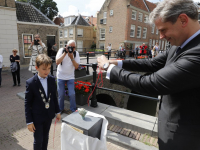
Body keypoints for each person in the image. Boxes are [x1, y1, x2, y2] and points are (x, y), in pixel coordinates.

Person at [97, 0, 200, 149]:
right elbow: (152, 64)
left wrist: (108, 68)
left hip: (184, 139)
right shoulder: (181, 43)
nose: (160, 36)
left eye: (163, 30)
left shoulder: (196, 52)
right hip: (170, 131)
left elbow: (152, 83)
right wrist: (118, 63)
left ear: (183, 20)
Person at [25, 54, 61, 150]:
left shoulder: (51, 79)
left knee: (45, 137)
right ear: (37, 68)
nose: (47, 71)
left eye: (49, 68)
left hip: (48, 115)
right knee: (38, 140)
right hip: (37, 117)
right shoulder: (31, 83)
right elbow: (27, 103)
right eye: (44, 69)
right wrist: (29, 121)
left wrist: (58, 111)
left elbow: (54, 96)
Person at [56, 40, 80, 113]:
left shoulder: (76, 53)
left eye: (73, 47)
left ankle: (73, 109)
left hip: (70, 77)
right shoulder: (61, 50)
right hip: (60, 76)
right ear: (66, 46)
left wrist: (72, 57)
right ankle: (60, 109)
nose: (71, 49)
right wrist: (65, 53)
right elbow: (57, 62)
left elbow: (76, 67)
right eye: (70, 47)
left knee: (72, 94)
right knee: (61, 94)